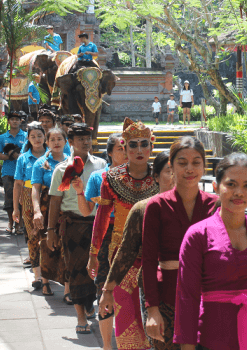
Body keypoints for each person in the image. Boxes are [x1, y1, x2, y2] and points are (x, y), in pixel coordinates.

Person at [174, 153, 247, 350]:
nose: (239, 192)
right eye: (231, 184)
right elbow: (187, 297)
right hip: (212, 340)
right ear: (216, 187)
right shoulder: (197, 235)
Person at [88, 119, 160, 349]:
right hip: (122, 256)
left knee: (157, 315)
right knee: (127, 317)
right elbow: (101, 219)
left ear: (151, 146)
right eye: (133, 145)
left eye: (144, 144)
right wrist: (93, 253)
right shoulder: (110, 179)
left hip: (157, 255)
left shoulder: (163, 177)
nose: (139, 150)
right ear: (124, 146)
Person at [142, 137, 219, 349]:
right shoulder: (156, 206)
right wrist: (152, 310)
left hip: (209, 299)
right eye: (182, 163)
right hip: (168, 298)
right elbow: (148, 261)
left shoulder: (215, 204)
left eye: (196, 162)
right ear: (171, 166)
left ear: (204, 166)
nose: (189, 169)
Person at [99, 150, 173, 332]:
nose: (177, 175)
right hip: (153, 285)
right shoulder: (142, 209)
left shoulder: (205, 206)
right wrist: (107, 290)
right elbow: (126, 251)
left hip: (192, 288)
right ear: (155, 177)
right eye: (170, 170)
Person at [46, 123, 107, 335]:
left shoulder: (102, 165)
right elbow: (55, 201)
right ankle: (80, 316)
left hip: (99, 225)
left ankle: (89, 303)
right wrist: (50, 230)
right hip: (73, 226)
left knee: (98, 271)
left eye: (88, 137)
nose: (86, 141)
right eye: (80, 138)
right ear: (70, 142)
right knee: (75, 272)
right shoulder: (62, 169)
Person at [82, 132, 127, 349]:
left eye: (129, 147)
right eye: (121, 148)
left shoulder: (143, 178)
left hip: (131, 233)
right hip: (106, 234)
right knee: (104, 288)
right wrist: (79, 193)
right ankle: (107, 346)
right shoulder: (98, 177)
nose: (127, 152)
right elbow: (87, 211)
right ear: (109, 153)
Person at [31, 127, 70, 300]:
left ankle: (68, 289)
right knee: (46, 244)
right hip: (47, 208)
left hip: (66, 208)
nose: (56, 142)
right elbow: (35, 189)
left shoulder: (72, 163)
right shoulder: (41, 163)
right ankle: (45, 281)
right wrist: (37, 211)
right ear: (47, 143)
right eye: (52, 139)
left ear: (65, 141)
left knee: (67, 246)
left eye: (59, 139)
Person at [12, 123, 48, 291]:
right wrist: (15, 208)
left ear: (45, 137)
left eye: (39, 136)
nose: (37, 139)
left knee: (49, 235)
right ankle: (37, 275)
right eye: (33, 136)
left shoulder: (53, 155)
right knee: (33, 235)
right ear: (28, 138)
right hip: (27, 197)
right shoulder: (23, 158)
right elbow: (17, 184)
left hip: (49, 196)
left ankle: (50, 272)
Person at [0, 111, 27, 235]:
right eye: (12, 119)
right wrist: (10, 156)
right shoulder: (2, 137)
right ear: (8, 121)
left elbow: (28, 153)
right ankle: (10, 222)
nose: (15, 121)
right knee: (9, 197)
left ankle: (20, 224)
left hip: (23, 173)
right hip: (8, 172)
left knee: (22, 198)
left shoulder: (26, 136)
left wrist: (19, 156)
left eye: (17, 119)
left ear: (21, 121)